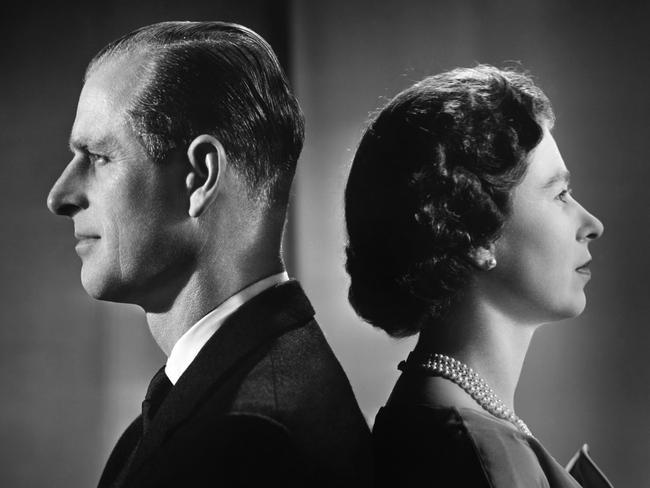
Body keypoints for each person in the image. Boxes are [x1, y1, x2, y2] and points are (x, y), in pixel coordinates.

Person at [47, 21, 371, 488]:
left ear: (199, 177)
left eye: (98, 157)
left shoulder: (246, 442)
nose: (61, 196)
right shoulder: (224, 398)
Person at [345, 65, 613, 487]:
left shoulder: (452, 420)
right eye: (559, 194)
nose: (592, 223)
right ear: (476, 238)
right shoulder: (474, 454)